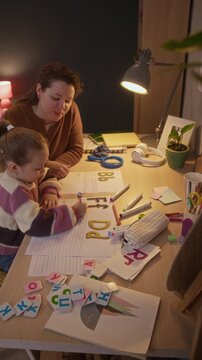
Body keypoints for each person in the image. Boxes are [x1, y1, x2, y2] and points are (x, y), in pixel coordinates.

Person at [0, 120, 87, 272]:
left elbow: (42, 179)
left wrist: (50, 190)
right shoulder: (16, 192)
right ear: (13, 167)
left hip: (23, 238)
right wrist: (73, 212)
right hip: (9, 252)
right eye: (39, 168)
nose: (43, 170)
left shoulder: (21, 174)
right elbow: (38, 223)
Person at [5, 62, 84, 179]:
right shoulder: (15, 115)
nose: (62, 106)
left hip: (55, 181)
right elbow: (8, 156)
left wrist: (54, 171)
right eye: (55, 98)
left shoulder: (72, 110)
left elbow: (76, 149)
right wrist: (47, 165)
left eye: (68, 100)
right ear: (39, 90)